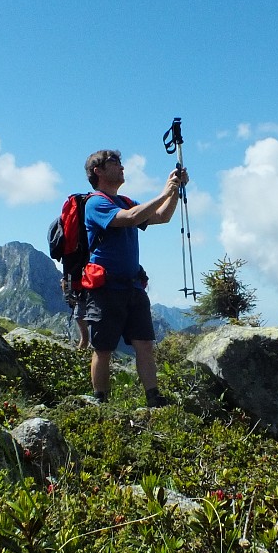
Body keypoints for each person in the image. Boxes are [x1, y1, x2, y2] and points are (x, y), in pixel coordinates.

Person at [81, 148, 188, 406]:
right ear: (98, 171)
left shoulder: (125, 201)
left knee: (144, 344)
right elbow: (129, 219)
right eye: (115, 163)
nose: (122, 167)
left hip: (132, 286)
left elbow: (162, 217)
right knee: (103, 349)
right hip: (105, 289)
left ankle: (153, 398)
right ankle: (100, 400)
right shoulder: (96, 203)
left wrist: (173, 190)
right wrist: (164, 192)